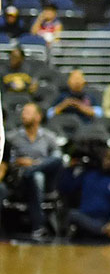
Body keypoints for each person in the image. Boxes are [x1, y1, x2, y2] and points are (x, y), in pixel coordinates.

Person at [5, 102, 62, 240]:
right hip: (20, 180)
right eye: (23, 112)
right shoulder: (12, 136)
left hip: (46, 178)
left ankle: (32, 170)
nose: (24, 115)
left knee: (55, 160)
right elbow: (6, 160)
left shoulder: (49, 136)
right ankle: (38, 227)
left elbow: (57, 158)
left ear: (38, 117)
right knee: (36, 177)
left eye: (28, 112)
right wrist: (18, 161)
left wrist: (36, 164)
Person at [60, 146, 110, 241]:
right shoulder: (88, 175)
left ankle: (108, 230)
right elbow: (66, 188)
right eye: (106, 157)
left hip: (108, 219)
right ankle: (103, 231)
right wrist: (70, 168)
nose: (108, 161)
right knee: (72, 214)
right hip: (87, 218)